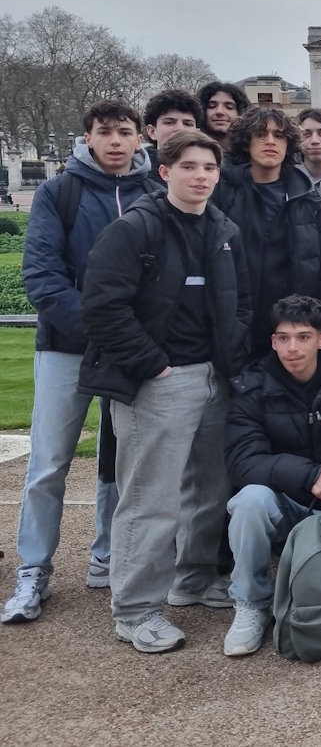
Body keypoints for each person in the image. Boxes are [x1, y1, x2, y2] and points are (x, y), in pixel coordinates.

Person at [77, 129, 251, 653]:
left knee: (208, 490)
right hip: (160, 379)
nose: (201, 176)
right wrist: (153, 366)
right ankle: (134, 609)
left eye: (209, 168)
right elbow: (102, 306)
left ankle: (192, 578)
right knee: (150, 497)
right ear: (165, 171)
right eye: (190, 166)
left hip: (213, 375)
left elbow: (239, 302)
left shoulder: (223, 228)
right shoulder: (135, 228)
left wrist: (230, 358)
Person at [2, 101, 159, 625]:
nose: (115, 141)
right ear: (87, 137)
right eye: (105, 132)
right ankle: (34, 569)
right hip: (69, 345)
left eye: (124, 132)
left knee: (122, 465)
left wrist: (130, 339)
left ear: (141, 138)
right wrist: (107, 331)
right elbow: (42, 277)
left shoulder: (154, 193)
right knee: (48, 464)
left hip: (129, 348)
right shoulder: (57, 191)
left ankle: (107, 554)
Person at [221, 295, 321, 656]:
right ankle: (250, 604)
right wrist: (310, 476)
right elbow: (242, 461)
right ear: (273, 341)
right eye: (283, 338)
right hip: (285, 501)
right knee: (249, 501)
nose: (292, 348)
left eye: (303, 337)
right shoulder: (253, 386)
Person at [213, 107, 321, 355]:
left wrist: (313, 322)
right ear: (246, 142)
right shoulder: (220, 193)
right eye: (261, 134)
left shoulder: (307, 199)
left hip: (290, 331)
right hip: (230, 327)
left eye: (279, 136)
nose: (270, 141)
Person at [141, 89, 203, 180]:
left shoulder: (210, 176)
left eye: (188, 124)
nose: (180, 129)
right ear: (152, 132)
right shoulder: (132, 175)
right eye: (169, 122)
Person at [197, 81, 249, 149]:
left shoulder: (253, 153)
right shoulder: (187, 149)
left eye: (229, 107)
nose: (219, 111)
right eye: (212, 106)